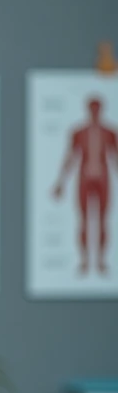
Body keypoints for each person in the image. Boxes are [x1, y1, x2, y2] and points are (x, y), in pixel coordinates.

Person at [52, 95, 117, 275]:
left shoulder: (109, 132)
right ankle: (84, 261)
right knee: (83, 221)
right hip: (85, 179)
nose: (95, 112)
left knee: (103, 220)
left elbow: (115, 158)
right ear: (88, 110)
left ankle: (101, 260)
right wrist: (61, 182)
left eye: (97, 109)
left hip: (102, 179)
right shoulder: (79, 132)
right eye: (92, 109)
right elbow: (70, 157)